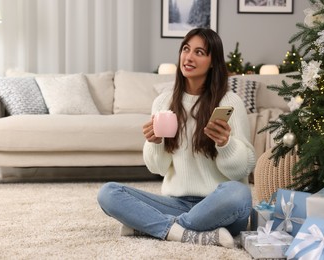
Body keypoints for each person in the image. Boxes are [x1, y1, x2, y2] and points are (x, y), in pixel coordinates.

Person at [97, 28, 255, 248]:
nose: (188, 57)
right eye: (186, 49)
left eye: (199, 52)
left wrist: (225, 144)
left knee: (239, 194)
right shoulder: (163, 103)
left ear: (213, 62)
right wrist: (155, 143)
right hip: (177, 203)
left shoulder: (230, 102)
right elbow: (158, 168)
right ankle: (187, 233)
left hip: (218, 205)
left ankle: (152, 226)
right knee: (109, 193)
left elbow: (242, 170)